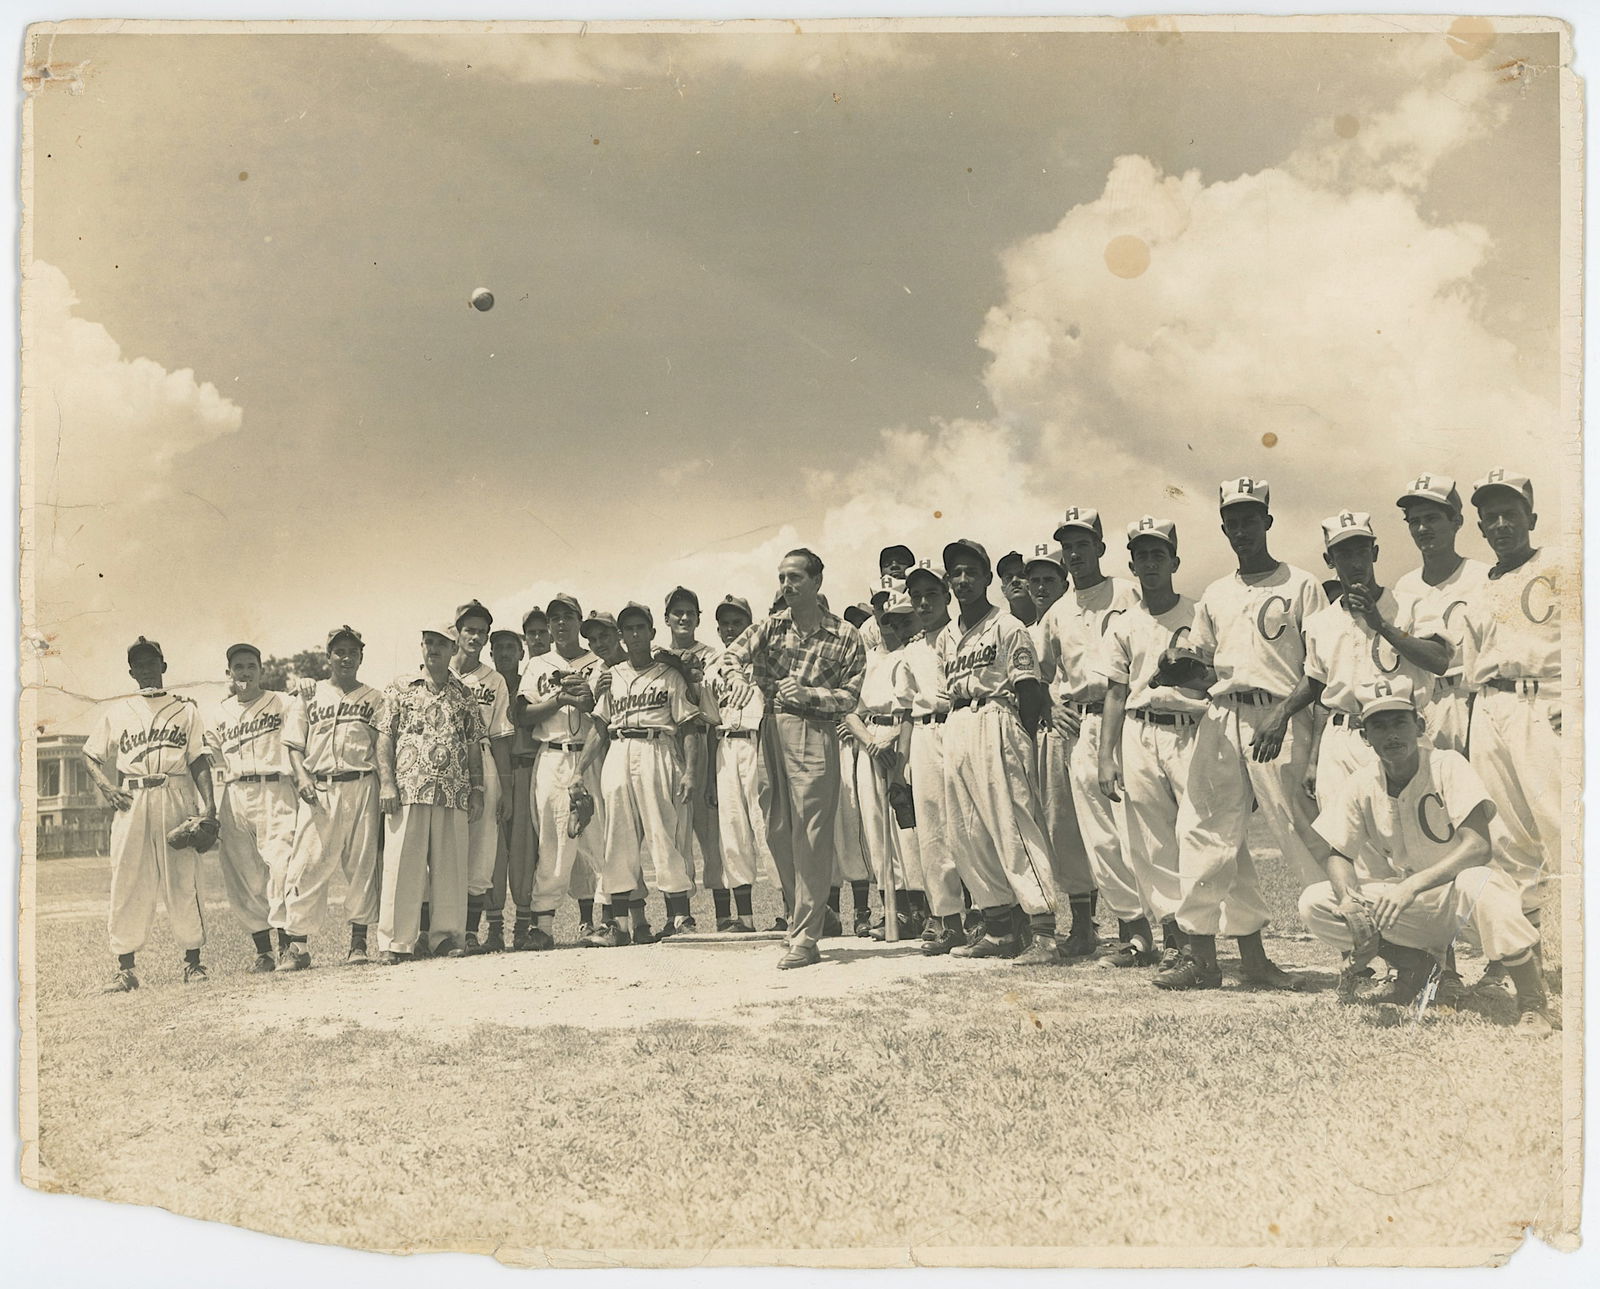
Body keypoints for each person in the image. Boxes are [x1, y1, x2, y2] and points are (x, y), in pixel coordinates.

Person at [1298, 679, 1557, 1033]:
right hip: (1419, 907)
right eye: (1379, 725)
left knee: (1479, 883)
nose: (1391, 734)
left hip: (1469, 903)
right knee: (1316, 901)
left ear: (1419, 726)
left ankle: (1533, 1004)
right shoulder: (1362, 782)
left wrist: (1411, 886)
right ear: (1365, 736)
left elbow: (1479, 847)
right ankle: (1418, 966)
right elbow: (1338, 853)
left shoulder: (1447, 764)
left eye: (1399, 722)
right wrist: (1347, 900)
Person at [1154, 478, 1324, 992]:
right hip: (1223, 716)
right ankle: (1208, 958)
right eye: (1233, 520)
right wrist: (1174, 669)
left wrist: (1284, 714)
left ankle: (1367, 952)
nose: (1242, 528)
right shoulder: (1216, 593)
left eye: (1251, 518)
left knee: (1304, 833)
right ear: (1224, 528)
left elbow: (1319, 665)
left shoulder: (1301, 584)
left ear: (1267, 522)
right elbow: (1204, 668)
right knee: (1204, 830)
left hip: (1282, 714)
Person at [717, 547, 867, 969]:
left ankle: (805, 934)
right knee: (778, 830)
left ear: (817, 582)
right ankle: (813, 910)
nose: (787, 585)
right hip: (772, 727)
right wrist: (739, 678)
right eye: (782, 577)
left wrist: (808, 695)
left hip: (816, 731)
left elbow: (850, 697)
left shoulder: (845, 635)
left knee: (813, 833)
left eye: (796, 577)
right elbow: (730, 655)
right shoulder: (770, 627)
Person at [933, 537, 1058, 963]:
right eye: (956, 573)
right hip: (958, 721)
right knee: (965, 831)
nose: (963, 579)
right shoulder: (946, 637)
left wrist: (1015, 738)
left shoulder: (1008, 626)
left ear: (988, 578)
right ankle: (1000, 928)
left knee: (1014, 823)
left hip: (996, 717)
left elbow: (1029, 690)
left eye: (972, 572)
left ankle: (1043, 932)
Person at [1038, 507, 1149, 963]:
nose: (1075, 553)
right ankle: (1134, 932)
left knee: (1142, 827)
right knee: (1100, 836)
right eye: (1069, 545)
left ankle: (1174, 934)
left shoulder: (1127, 591)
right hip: (1084, 722)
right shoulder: (1058, 611)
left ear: (1101, 548)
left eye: (1084, 544)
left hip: (1128, 716)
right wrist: (1051, 702)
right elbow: (1040, 673)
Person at [1096, 518, 1207, 970]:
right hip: (1140, 729)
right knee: (1150, 842)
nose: (1149, 563)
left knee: (1198, 833)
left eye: (1158, 555)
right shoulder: (1124, 624)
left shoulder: (1198, 614)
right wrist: (1106, 756)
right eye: (1142, 556)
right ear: (1132, 564)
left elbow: (1213, 679)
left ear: (1174, 561)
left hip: (1190, 728)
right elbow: (1116, 693)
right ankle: (1176, 938)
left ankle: (1207, 938)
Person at [82, 637, 217, 992]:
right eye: (139, 664)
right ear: (131, 672)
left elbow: (199, 759)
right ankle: (125, 969)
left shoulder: (186, 709)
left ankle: (193, 963)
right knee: (127, 880)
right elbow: (91, 755)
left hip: (175, 793)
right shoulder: (118, 711)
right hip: (133, 798)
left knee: (182, 877)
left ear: (164, 666)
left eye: (151, 662)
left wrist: (210, 805)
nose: (146, 669)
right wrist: (108, 788)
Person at [1458, 470, 1563, 928]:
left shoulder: (1560, 564)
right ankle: (1531, 956)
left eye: (1511, 514)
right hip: (1490, 706)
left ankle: (1576, 955)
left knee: (1561, 825)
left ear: (1531, 518)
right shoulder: (1479, 584)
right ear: (1480, 528)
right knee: (1507, 837)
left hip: (1544, 702)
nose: (1501, 524)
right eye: (1491, 517)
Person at [1287, 513, 1448, 808]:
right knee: (1347, 842)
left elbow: (1439, 661)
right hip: (1342, 738)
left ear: (1374, 553)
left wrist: (1382, 624)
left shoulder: (1410, 605)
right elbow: (1323, 694)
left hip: (1397, 733)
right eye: (1344, 554)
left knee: (1407, 835)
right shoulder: (1320, 623)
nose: (1355, 562)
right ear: (1329, 560)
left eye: (1362, 551)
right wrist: (1315, 758)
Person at [579, 602, 706, 946]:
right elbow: (599, 728)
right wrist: (579, 771)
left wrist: (691, 772)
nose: (635, 634)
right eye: (628, 629)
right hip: (619, 751)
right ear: (622, 635)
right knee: (616, 837)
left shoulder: (669, 674)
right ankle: (618, 925)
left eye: (640, 628)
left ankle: (679, 917)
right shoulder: (611, 677)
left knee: (664, 832)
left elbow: (689, 727)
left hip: (659, 748)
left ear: (652, 633)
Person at [374, 624, 486, 963]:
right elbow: (384, 737)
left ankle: (446, 937)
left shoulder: (465, 693)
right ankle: (397, 943)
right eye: (429, 642)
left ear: (454, 649)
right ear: (421, 646)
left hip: (453, 791)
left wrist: (478, 788)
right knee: (401, 868)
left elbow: (473, 745)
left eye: (441, 644)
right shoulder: (399, 688)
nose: (434, 649)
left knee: (451, 870)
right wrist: (387, 782)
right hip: (408, 790)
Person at [279, 626, 383, 966]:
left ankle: (358, 944)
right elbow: (293, 745)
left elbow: (382, 747)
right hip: (319, 788)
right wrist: (301, 777)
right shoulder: (309, 695)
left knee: (362, 865)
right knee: (306, 864)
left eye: (353, 651)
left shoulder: (374, 698)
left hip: (362, 784)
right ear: (328, 657)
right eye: (340, 651)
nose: (347, 657)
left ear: (361, 657)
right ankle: (298, 947)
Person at [513, 594, 606, 949]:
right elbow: (523, 715)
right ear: (549, 627)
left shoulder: (598, 661)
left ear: (580, 621)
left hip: (592, 754)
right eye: (555, 619)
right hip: (552, 756)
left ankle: (610, 919)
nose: (561, 624)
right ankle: (544, 927)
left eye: (568, 616)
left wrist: (587, 699)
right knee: (551, 841)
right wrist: (558, 701)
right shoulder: (538, 664)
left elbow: (605, 711)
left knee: (600, 838)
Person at [207, 642, 304, 973]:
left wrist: (309, 688)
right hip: (235, 794)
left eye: (251, 666)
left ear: (261, 670)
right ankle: (263, 952)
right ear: (229, 674)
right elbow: (201, 753)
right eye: (238, 667)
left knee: (283, 868)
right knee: (245, 876)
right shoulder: (219, 712)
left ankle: (290, 948)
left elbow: (311, 715)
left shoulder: (283, 702)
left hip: (276, 789)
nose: (245, 672)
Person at [1024, 544, 1098, 956]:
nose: (1039, 587)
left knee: (1088, 826)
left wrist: (1056, 704)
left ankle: (1103, 925)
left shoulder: (1076, 614)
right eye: (1033, 579)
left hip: (1074, 728)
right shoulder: (1026, 627)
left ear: (1063, 582)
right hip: (1041, 732)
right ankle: (1082, 926)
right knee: (1057, 828)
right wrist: (1048, 705)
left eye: (1048, 579)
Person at [842, 591, 922, 940]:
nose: (888, 622)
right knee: (876, 828)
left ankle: (921, 910)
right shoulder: (867, 659)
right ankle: (894, 911)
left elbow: (912, 708)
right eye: (882, 615)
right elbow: (850, 710)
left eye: (894, 615)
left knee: (908, 828)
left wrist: (890, 743)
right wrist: (871, 743)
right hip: (871, 738)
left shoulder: (914, 653)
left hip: (905, 736)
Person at [1391, 475, 1488, 753]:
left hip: (1468, 698)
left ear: (1456, 522)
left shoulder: (1482, 577)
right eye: (1414, 521)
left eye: (1432, 519)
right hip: (1422, 706)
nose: (1422, 528)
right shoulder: (1405, 586)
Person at [903, 565, 966, 954]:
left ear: (946, 595)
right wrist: (901, 766)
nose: (924, 602)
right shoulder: (911, 649)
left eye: (932, 593)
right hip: (925, 732)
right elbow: (908, 709)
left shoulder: (964, 634)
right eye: (917, 596)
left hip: (961, 721)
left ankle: (987, 916)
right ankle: (949, 921)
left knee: (969, 824)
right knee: (933, 829)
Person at [451, 601, 516, 954]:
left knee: (481, 847)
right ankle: (441, 930)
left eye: (481, 631)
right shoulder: (437, 670)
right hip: (444, 764)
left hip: (486, 758)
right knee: (443, 846)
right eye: (469, 630)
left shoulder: (494, 679)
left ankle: (472, 931)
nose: (475, 636)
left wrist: (503, 787)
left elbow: (502, 737)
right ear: (457, 633)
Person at [660, 586, 724, 932]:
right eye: (677, 612)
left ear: (699, 617)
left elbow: (709, 708)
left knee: (713, 837)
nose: (683, 618)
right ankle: (679, 915)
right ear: (666, 618)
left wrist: (711, 774)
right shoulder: (656, 657)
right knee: (674, 835)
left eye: (690, 612)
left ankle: (727, 915)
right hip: (669, 749)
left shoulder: (711, 654)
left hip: (702, 740)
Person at [707, 595, 770, 933]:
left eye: (738, 622)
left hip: (758, 743)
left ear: (750, 626)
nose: (731, 628)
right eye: (726, 623)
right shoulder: (713, 667)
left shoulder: (766, 659)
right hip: (724, 746)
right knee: (733, 832)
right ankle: (745, 918)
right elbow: (707, 720)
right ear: (718, 629)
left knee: (767, 828)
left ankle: (789, 914)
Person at [483, 628, 530, 952]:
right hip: (492, 771)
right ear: (491, 653)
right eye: (498, 648)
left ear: (521, 652)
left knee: (525, 849)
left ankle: (523, 927)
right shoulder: (484, 687)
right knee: (493, 851)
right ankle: (495, 927)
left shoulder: (531, 682)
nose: (504, 653)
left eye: (510, 647)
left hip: (524, 766)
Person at [996, 550, 1038, 627]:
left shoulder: (1048, 622)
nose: (1015, 580)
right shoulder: (1001, 628)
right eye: (1009, 577)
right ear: (1003, 590)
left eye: (1022, 575)